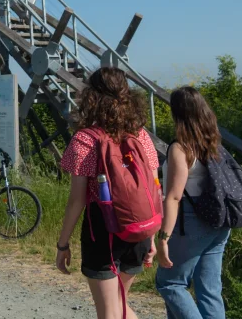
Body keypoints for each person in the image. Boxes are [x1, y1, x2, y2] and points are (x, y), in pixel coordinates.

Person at [56, 67, 159, 319]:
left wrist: (62, 244)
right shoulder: (142, 136)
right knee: (119, 307)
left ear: (91, 97)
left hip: (103, 231)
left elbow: (77, 200)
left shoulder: (85, 139)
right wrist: (152, 236)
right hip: (139, 231)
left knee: (110, 313)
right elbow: (153, 187)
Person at [155, 87, 229, 319]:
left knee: (170, 283)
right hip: (219, 218)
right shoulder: (214, 143)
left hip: (192, 219)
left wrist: (164, 238)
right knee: (209, 290)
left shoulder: (181, 148)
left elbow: (174, 197)